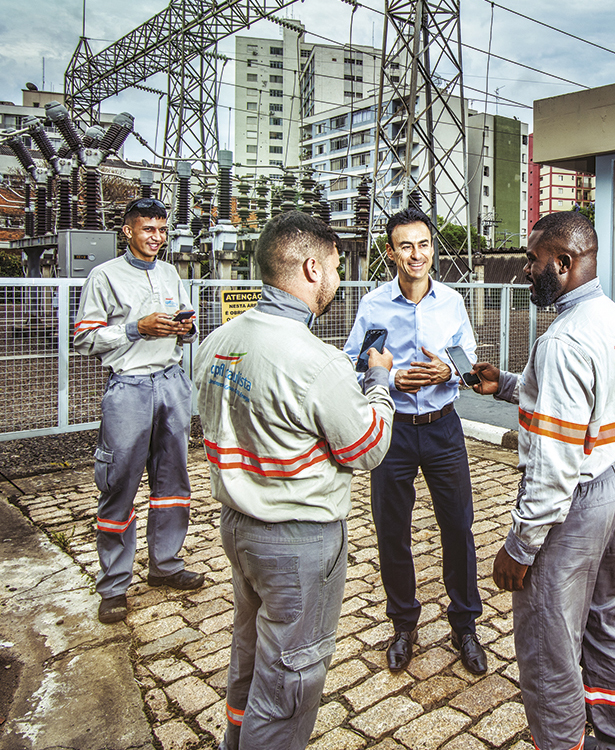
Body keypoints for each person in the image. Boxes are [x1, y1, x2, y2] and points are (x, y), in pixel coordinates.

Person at [192, 211, 395, 750]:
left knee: (250, 653)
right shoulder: (316, 361)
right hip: (297, 541)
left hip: (238, 527)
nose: (338, 275)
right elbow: (366, 448)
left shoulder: (218, 340)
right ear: (311, 266)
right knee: (289, 679)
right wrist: (378, 384)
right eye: (334, 263)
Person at [472, 212, 615, 750]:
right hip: (610, 488)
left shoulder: (562, 342)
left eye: (533, 260)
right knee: (603, 621)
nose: (527, 270)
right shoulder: (612, 318)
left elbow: (553, 468)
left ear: (564, 263)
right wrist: (504, 383)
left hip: (568, 507)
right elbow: (586, 405)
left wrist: (520, 545)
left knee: (548, 645)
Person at [344, 207, 486, 676]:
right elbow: (352, 362)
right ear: (391, 253)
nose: (416, 254)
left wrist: (449, 371)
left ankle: (464, 624)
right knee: (391, 531)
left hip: (444, 427)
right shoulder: (373, 305)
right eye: (406, 245)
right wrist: (387, 376)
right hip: (395, 431)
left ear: (432, 249)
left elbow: (470, 365)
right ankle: (404, 624)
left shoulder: (452, 302)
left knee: (459, 528)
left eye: (423, 244)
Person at [74, 196, 203, 625]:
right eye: (149, 229)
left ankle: (164, 564)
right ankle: (113, 584)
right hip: (128, 387)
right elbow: (86, 338)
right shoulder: (104, 276)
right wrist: (136, 327)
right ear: (127, 230)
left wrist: (185, 328)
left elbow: (186, 326)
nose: (158, 238)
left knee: (173, 480)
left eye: (163, 230)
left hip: (171, 380)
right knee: (119, 483)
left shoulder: (169, 272)